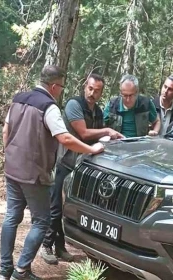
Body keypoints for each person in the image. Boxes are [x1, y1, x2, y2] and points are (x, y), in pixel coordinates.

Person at [0, 65, 105, 280]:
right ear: (54, 86)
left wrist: (8, 152)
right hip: (34, 173)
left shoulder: (19, 98)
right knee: (41, 221)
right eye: (62, 86)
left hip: (12, 168)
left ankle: (4, 269)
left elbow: (5, 130)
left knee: (11, 217)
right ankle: (22, 269)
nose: (61, 91)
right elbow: (64, 138)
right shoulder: (49, 107)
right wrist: (91, 149)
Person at [40, 74, 124, 265]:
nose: (92, 93)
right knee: (55, 207)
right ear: (85, 86)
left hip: (83, 168)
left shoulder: (98, 112)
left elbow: (95, 138)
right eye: (90, 88)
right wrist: (107, 131)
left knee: (69, 207)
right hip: (64, 163)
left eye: (97, 90)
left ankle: (60, 247)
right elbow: (83, 132)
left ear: (102, 92)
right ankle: (46, 245)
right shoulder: (74, 105)